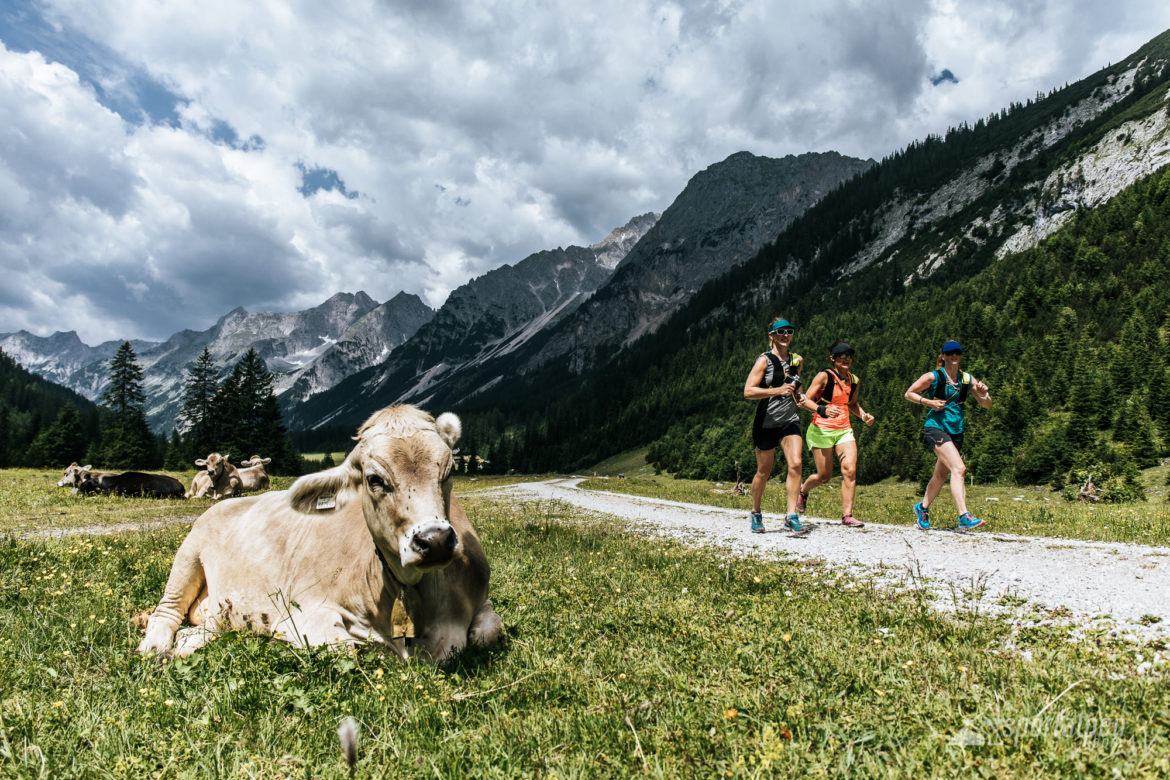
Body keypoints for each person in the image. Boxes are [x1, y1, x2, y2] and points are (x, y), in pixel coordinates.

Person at [904, 340, 992, 530]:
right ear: (943, 356)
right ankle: (964, 516)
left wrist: (984, 394)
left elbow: (986, 405)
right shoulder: (933, 377)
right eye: (950, 353)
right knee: (959, 469)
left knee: (940, 475)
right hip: (935, 427)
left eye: (957, 353)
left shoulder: (967, 379)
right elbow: (909, 393)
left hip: (956, 431)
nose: (954, 356)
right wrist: (929, 403)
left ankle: (922, 508)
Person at [796, 341, 875, 527]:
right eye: (841, 355)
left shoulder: (854, 380)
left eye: (849, 355)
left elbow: (853, 404)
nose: (846, 358)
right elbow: (804, 400)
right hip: (821, 431)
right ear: (833, 358)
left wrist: (863, 415)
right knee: (824, 477)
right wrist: (822, 409)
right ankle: (804, 490)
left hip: (844, 431)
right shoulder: (824, 376)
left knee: (850, 469)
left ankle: (847, 516)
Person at [743, 317, 807, 535]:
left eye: (789, 331)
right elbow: (748, 391)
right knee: (764, 471)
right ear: (771, 335)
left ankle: (791, 516)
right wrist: (776, 391)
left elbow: (797, 389)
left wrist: (807, 401)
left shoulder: (797, 360)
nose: (785, 335)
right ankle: (756, 512)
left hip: (789, 420)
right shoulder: (765, 361)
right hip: (767, 421)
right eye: (780, 332)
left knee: (796, 463)